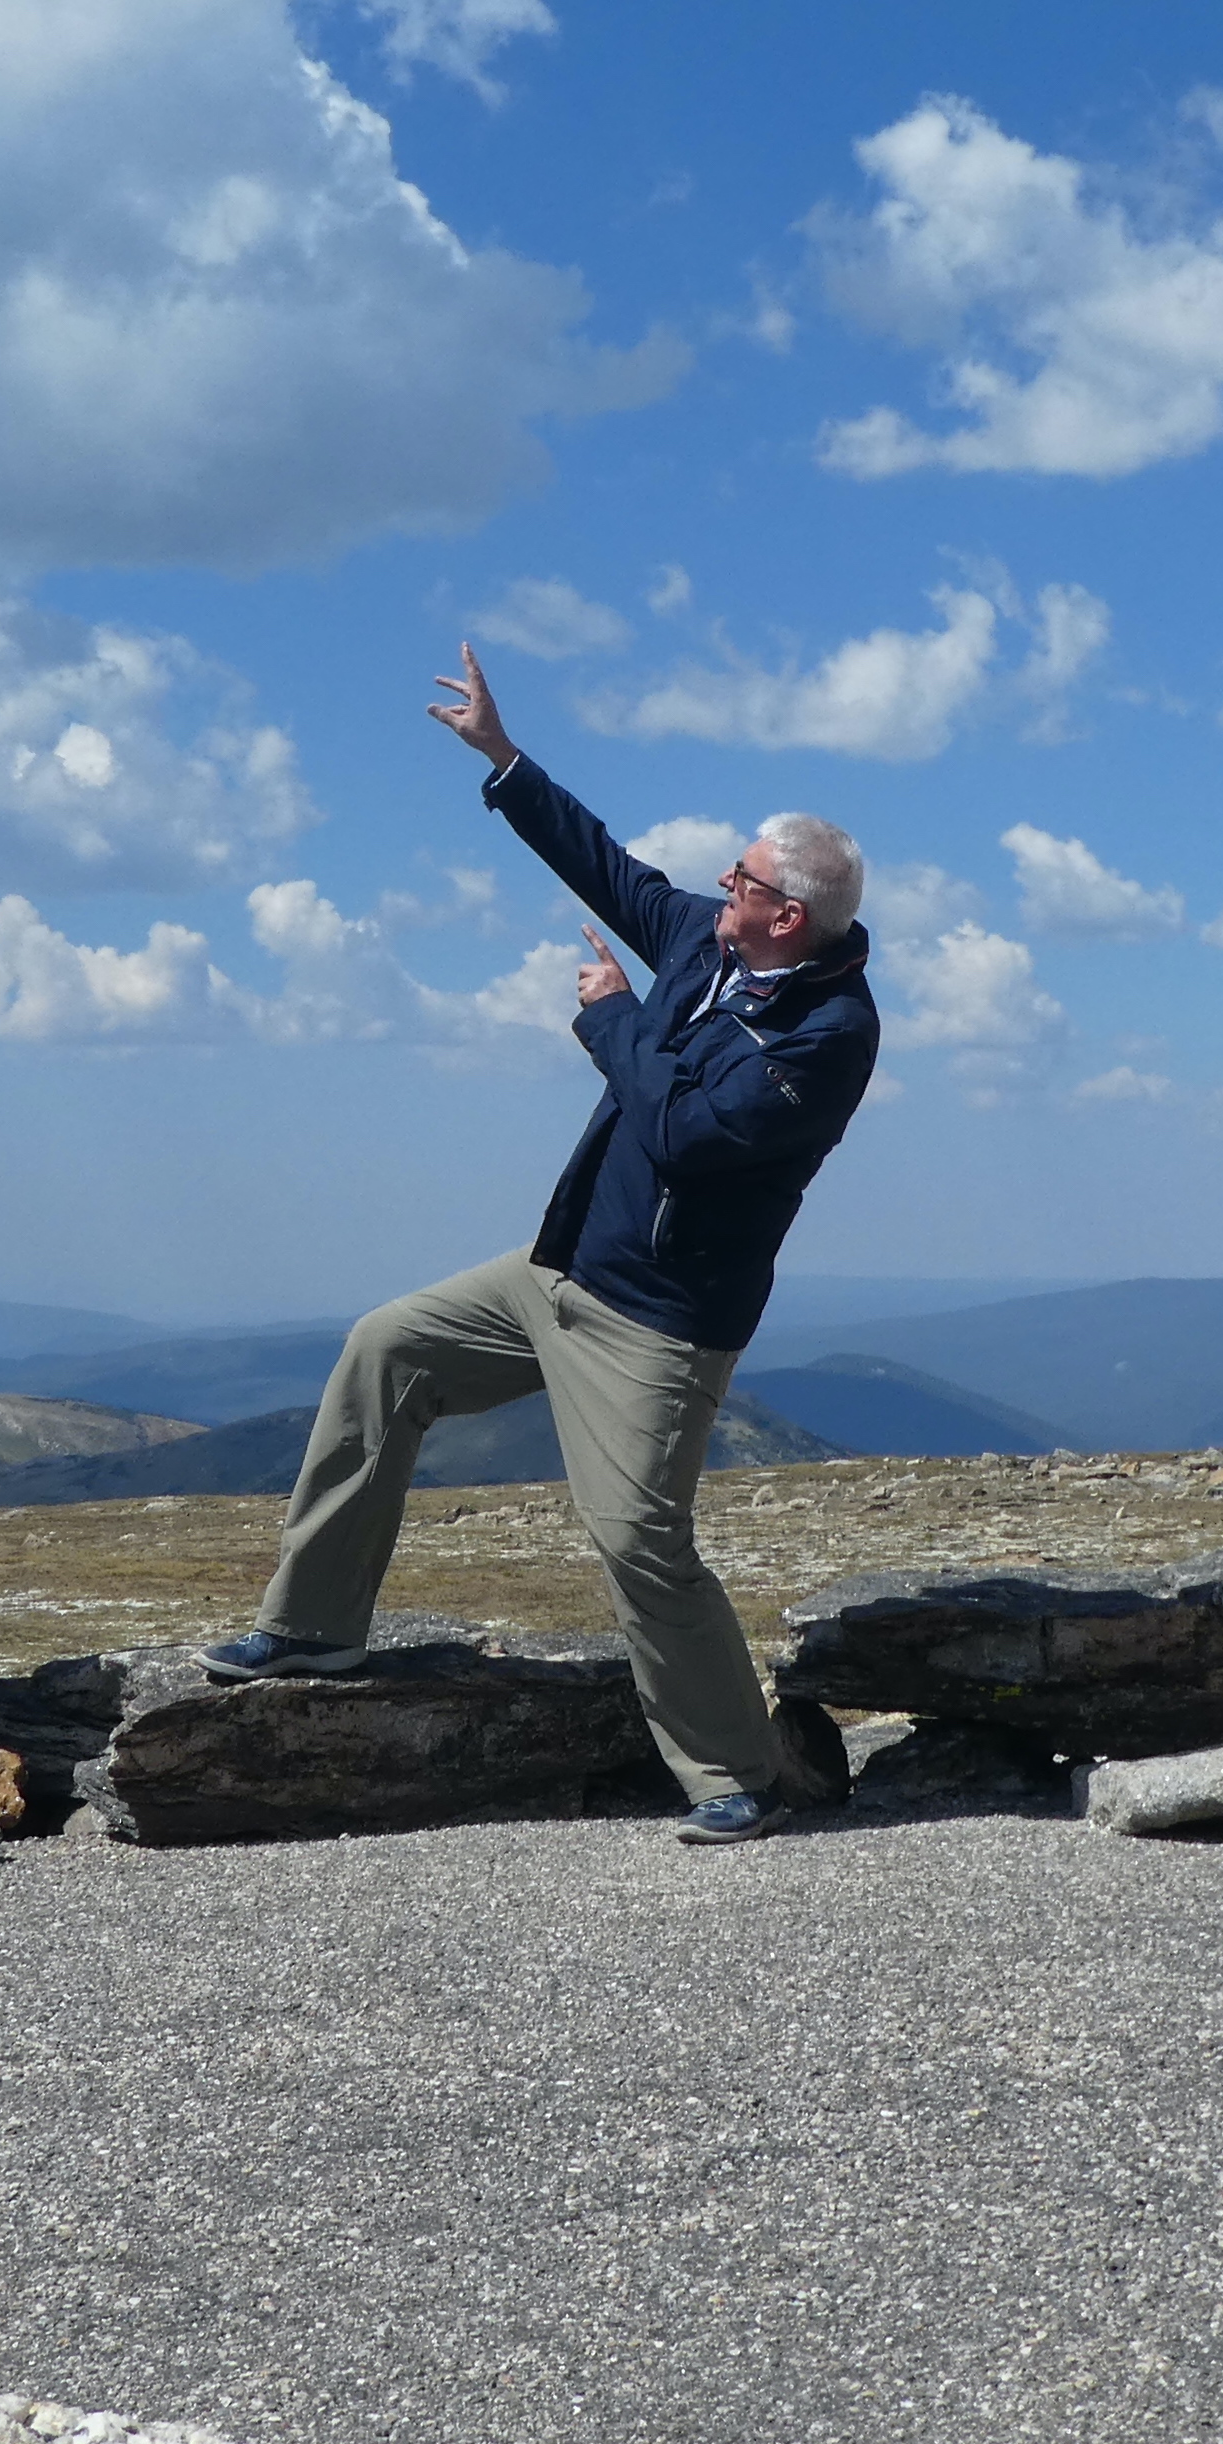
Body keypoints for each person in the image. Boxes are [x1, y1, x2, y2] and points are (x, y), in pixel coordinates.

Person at [203, 641, 880, 1842]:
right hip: (553, 1271)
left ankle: (737, 1770)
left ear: (788, 914)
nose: (717, 888)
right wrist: (503, 760)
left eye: (739, 880)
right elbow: (606, 863)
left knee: (637, 1539)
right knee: (382, 1351)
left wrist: (609, 1019)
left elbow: (679, 1133)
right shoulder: (707, 943)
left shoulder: (826, 1037)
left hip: (655, 1323)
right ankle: (314, 1626)